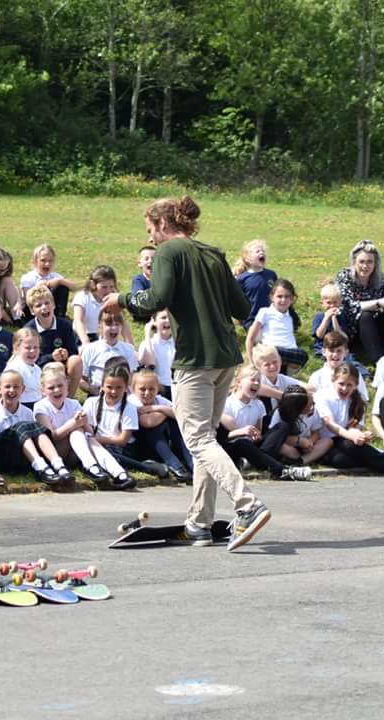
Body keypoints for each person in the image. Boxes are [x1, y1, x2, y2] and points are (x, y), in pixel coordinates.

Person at [104, 195, 271, 551]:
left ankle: (248, 505)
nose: (152, 239)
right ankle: (200, 523)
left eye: (151, 231)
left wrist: (122, 300)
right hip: (226, 357)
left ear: (163, 225)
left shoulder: (168, 252)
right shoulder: (213, 253)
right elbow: (242, 306)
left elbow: (156, 298)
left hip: (196, 358)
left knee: (198, 440)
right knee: (205, 440)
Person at [218, 365, 312, 481]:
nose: (256, 384)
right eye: (252, 380)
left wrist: (255, 436)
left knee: (282, 426)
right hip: (233, 445)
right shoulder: (227, 404)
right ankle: (285, 471)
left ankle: (253, 461)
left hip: (253, 446)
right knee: (242, 443)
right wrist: (241, 432)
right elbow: (222, 437)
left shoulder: (259, 405)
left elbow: (259, 434)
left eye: (258, 381)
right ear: (238, 382)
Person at [315, 364, 384, 475]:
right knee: (340, 460)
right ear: (333, 380)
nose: (344, 388)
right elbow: (330, 424)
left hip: (343, 440)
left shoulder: (357, 401)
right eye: (341, 384)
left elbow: (354, 427)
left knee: (348, 447)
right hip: (325, 441)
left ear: (356, 385)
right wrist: (352, 436)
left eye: (349, 385)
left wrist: (360, 435)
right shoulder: (322, 396)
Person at [0, 370, 73, 486]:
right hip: (1, 457)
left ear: (23, 389)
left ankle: (58, 465)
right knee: (20, 427)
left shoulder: (27, 412)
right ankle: (41, 468)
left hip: (22, 459)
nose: (12, 391)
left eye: (16, 387)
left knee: (35, 428)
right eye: (7, 387)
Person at [335, 240, 384, 365]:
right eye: (361, 262)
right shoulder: (345, 276)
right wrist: (378, 303)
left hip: (377, 325)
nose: (365, 266)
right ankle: (379, 361)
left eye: (369, 262)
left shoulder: (380, 278)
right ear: (354, 262)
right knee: (366, 315)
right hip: (354, 329)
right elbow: (348, 306)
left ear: (375, 264)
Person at [128, 368, 192, 481]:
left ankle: (192, 464)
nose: (147, 393)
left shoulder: (159, 400)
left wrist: (157, 408)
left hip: (160, 446)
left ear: (158, 389)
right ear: (133, 389)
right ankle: (176, 466)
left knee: (175, 424)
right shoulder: (132, 401)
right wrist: (166, 413)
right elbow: (147, 422)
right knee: (154, 429)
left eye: (151, 389)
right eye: (142, 389)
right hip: (141, 447)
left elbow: (181, 414)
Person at [25, 283, 83, 397]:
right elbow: (29, 359)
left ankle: (68, 399)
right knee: (57, 367)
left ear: (54, 305)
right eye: (38, 305)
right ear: (32, 311)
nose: (44, 307)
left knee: (76, 360)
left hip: (62, 364)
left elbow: (73, 350)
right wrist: (51, 357)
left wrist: (66, 354)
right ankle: (50, 401)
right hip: (39, 369)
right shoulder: (29, 331)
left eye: (47, 303)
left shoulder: (64, 325)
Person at [244, 278, 307, 375]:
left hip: (290, 353)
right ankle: (276, 367)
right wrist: (251, 362)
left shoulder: (291, 316)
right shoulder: (265, 312)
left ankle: (286, 372)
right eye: (279, 296)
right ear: (272, 297)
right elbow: (250, 339)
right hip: (271, 350)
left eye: (287, 297)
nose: (283, 300)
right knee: (271, 352)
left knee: (303, 355)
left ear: (292, 299)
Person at [81, 310, 137, 395]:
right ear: (100, 326)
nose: (114, 328)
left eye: (117, 324)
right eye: (109, 324)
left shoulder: (128, 349)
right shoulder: (90, 349)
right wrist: (91, 389)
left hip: (121, 395)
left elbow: (132, 378)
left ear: (122, 327)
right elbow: (81, 379)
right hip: (97, 394)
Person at [73, 265, 130, 345]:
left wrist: (130, 346)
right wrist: (86, 342)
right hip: (83, 337)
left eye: (111, 287)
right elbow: (78, 321)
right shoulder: (83, 297)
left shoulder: (113, 300)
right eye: (104, 287)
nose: (108, 290)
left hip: (105, 337)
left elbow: (123, 323)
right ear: (93, 284)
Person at [307, 330, 369, 402]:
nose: (335, 355)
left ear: (346, 353)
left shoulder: (354, 373)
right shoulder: (317, 376)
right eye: (331, 350)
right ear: (323, 352)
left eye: (339, 351)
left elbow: (363, 399)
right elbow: (311, 401)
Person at [19, 244, 75, 320]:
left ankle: (60, 318)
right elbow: (28, 299)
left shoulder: (56, 276)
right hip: (32, 311)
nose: (47, 264)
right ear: (35, 261)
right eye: (43, 260)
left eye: (50, 261)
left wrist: (60, 281)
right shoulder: (28, 278)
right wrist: (46, 285)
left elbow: (74, 288)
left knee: (62, 286)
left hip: (49, 308)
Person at [233, 239, 277, 330]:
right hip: (252, 318)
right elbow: (237, 300)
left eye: (263, 251)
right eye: (257, 251)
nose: (261, 252)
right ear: (248, 259)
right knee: (258, 340)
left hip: (271, 316)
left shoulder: (271, 274)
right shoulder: (243, 278)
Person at [135, 309, 174, 399]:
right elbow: (149, 366)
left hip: (177, 388)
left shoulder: (179, 343)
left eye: (170, 318)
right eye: (163, 318)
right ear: (154, 321)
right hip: (158, 390)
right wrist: (147, 334)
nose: (167, 321)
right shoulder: (148, 343)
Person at [3, 328, 44, 408]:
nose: (32, 351)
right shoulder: (14, 368)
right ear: (16, 348)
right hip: (22, 407)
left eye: (36, 347)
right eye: (28, 348)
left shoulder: (37, 369)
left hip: (38, 405)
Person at [311, 283, 347, 358]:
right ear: (322, 303)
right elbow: (319, 335)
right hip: (322, 349)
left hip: (339, 348)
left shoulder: (342, 316)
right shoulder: (319, 316)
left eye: (335, 302)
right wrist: (326, 318)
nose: (332, 306)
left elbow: (344, 337)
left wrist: (334, 319)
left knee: (350, 361)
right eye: (329, 303)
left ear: (340, 302)